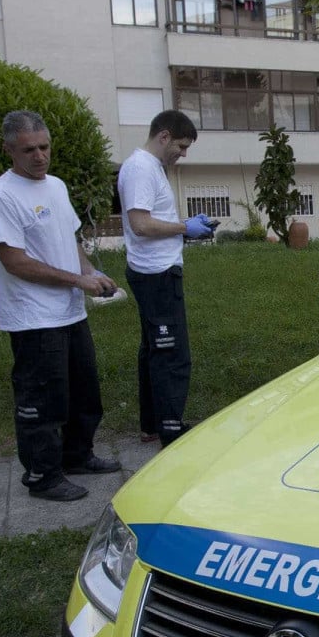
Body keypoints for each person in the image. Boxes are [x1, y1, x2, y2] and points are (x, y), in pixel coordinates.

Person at [0, 110, 123, 502]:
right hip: (33, 317)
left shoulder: (55, 186)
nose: (40, 156)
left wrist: (93, 273)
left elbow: (69, 239)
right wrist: (78, 281)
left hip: (70, 311)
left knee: (83, 392)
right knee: (43, 400)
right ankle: (42, 475)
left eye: (44, 147)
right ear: (9, 150)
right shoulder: (0, 196)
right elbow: (15, 261)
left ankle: (77, 456)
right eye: (29, 150)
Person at [116, 109, 211, 447]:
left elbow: (154, 220)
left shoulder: (148, 167)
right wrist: (186, 228)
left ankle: (152, 425)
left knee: (155, 350)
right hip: (155, 276)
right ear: (164, 136)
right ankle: (171, 431)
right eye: (182, 146)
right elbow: (141, 224)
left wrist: (184, 229)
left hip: (155, 271)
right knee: (172, 354)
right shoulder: (142, 168)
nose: (183, 154)